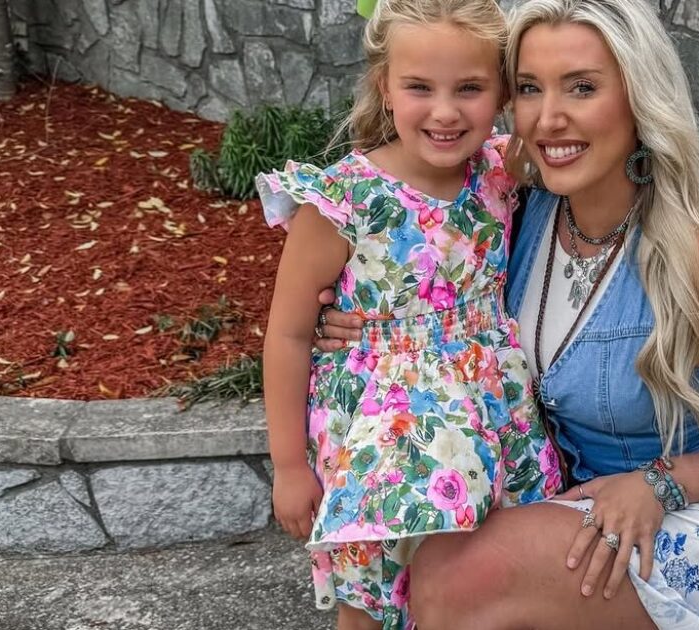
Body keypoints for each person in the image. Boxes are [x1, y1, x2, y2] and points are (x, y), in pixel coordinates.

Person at [315, 0, 699, 627]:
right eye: (529, 88)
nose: (549, 119)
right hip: (569, 493)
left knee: (460, 575)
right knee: (420, 549)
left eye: (582, 87)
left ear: (638, 97)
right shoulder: (517, 213)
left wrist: (662, 483)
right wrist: (352, 314)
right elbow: (418, 256)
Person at [256, 1, 562, 628]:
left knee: (486, 581)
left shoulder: (502, 173)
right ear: (385, 87)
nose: (445, 111)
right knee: (373, 592)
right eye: (419, 87)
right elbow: (287, 333)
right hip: (379, 426)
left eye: (469, 89)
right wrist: (288, 466)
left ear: (503, 93)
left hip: (493, 412)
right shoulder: (345, 199)